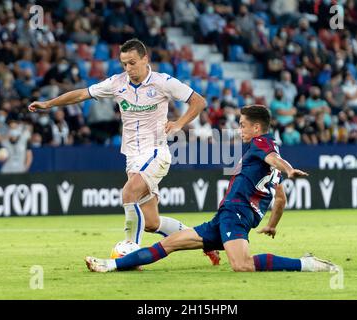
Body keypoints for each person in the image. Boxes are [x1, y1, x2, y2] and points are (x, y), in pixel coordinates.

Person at [28, 39, 220, 265]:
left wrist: (179, 123)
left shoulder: (163, 82)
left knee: (128, 193)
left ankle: (130, 251)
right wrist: (48, 104)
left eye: (132, 63)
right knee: (151, 222)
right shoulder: (117, 83)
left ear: (145, 59)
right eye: (124, 64)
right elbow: (81, 94)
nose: (128, 69)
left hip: (156, 153)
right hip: (132, 156)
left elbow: (198, 101)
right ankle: (206, 241)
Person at [85, 105, 338, 273]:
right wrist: (272, 224)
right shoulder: (264, 154)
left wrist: (288, 168)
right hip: (225, 217)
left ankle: (308, 264)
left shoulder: (262, 145)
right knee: (169, 244)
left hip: (236, 214)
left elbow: (274, 159)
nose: (239, 129)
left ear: (256, 128)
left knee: (242, 265)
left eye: (242, 125)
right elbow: (280, 198)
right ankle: (111, 265)